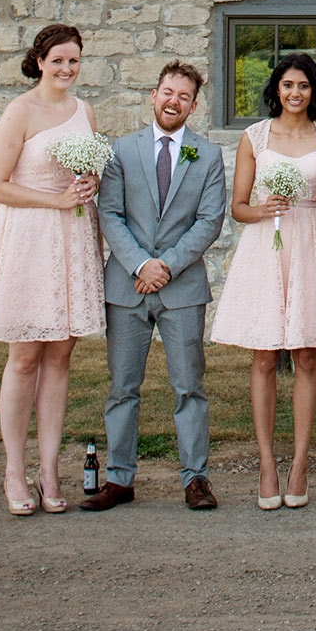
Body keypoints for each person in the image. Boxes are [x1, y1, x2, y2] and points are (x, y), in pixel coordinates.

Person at [0, 22, 106, 516]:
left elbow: (86, 169)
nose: (67, 68)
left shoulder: (83, 111)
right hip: (29, 237)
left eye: (74, 60)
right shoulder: (19, 111)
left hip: (72, 236)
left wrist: (87, 184)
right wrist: (55, 198)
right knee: (25, 355)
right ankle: (13, 469)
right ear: (40, 61)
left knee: (61, 356)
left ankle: (49, 469)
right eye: (59, 60)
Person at [210, 53, 316, 509]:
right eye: (288, 85)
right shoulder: (254, 137)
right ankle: (268, 463)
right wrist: (263, 207)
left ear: (315, 92)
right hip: (266, 247)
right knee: (265, 357)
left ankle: (301, 464)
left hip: (311, 243)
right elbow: (238, 207)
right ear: (276, 90)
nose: (295, 93)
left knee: (307, 355)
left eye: (304, 86)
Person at [83, 61, 227, 512]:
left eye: (183, 97)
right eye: (168, 92)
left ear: (194, 105)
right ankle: (120, 479)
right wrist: (142, 264)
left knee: (189, 387)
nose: (174, 101)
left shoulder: (207, 155)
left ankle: (195, 478)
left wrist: (165, 265)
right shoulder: (122, 150)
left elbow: (209, 221)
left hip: (182, 289)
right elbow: (110, 214)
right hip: (128, 287)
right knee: (122, 387)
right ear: (153, 94)